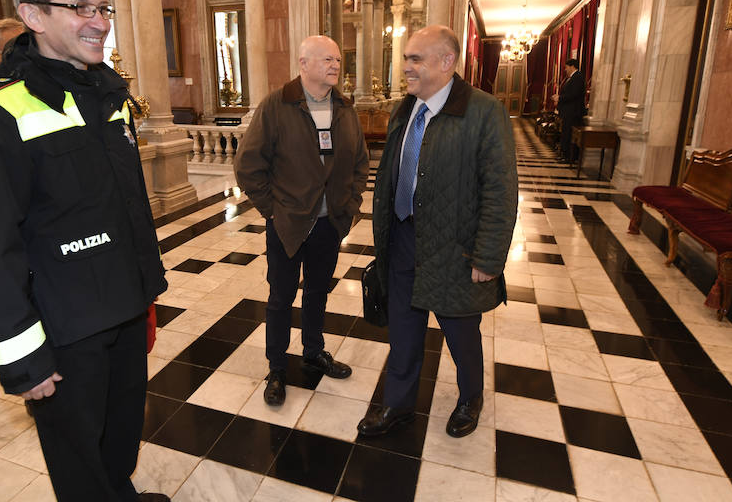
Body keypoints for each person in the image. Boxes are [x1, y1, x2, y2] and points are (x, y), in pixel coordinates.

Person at [0, 0, 169, 502]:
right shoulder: (0, 110)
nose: (99, 22)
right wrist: (22, 358)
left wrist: (146, 293)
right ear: (33, 15)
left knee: (120, 438)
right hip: (65, 327)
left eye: (102, 7)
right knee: (79, 463)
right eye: (79, 8)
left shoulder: (109, 94)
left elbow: (122, 205)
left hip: (123, 307)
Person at [357, 25, 517, 439]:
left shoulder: (483, 112)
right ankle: (398, 402)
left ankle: (470, 397)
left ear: (447, 63)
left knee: (461, 332)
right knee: (404, 330)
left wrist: (489, 257)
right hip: (404, 240)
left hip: (455, 248)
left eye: (415, 59)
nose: (405, 67)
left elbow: (501, 190)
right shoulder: (403, 109)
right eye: (406, 58)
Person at [234, 35, 369, 406]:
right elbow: (247, 166)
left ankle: (314, 350)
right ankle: (277, 367)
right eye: (327, 59)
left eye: (338, 60)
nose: (335, 66)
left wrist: (350, 203)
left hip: (330, 224)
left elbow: (360, 162)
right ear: (303, 63)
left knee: (317, 292)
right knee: (280, 298)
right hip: (289, 223)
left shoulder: (344, 107)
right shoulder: (277, 106)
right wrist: (273, 210)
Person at [552, 58, 587, 162]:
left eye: (566, 67)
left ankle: (568, 156)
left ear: (572, 66)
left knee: (569, 134)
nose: (565, 70)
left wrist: (560, 98)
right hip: (568, 112)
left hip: (573, 112)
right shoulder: (571, 78)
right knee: (565, 133)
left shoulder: (578, 77)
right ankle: (564, 154)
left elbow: (574, 94)